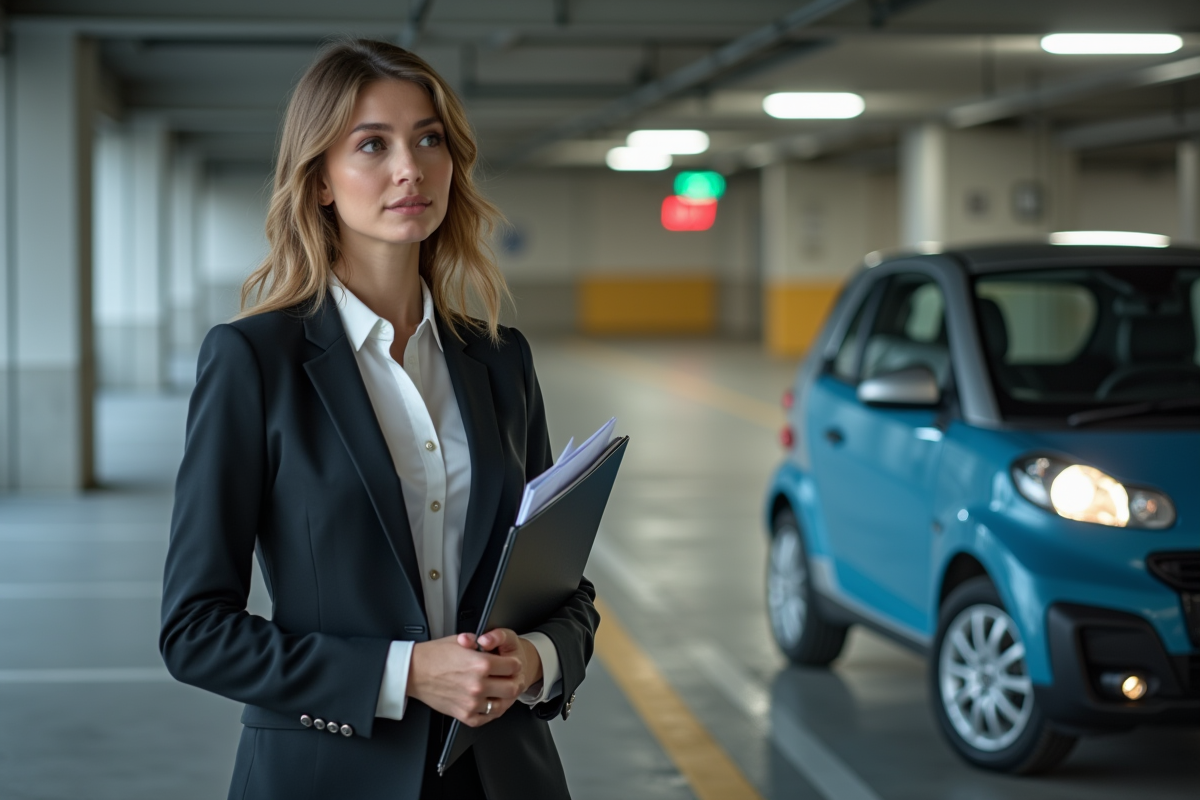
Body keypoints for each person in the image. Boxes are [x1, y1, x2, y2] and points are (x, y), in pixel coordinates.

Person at [159, 39, 598, 800]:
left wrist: (534, 659)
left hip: (499, 773)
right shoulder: (253, 361)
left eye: (429, 140)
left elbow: (558, 587)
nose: (410, 169)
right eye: (372, 145)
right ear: (319, 181)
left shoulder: (501, 360)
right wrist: (405, 672)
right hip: (326, 773)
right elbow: (195, 631)